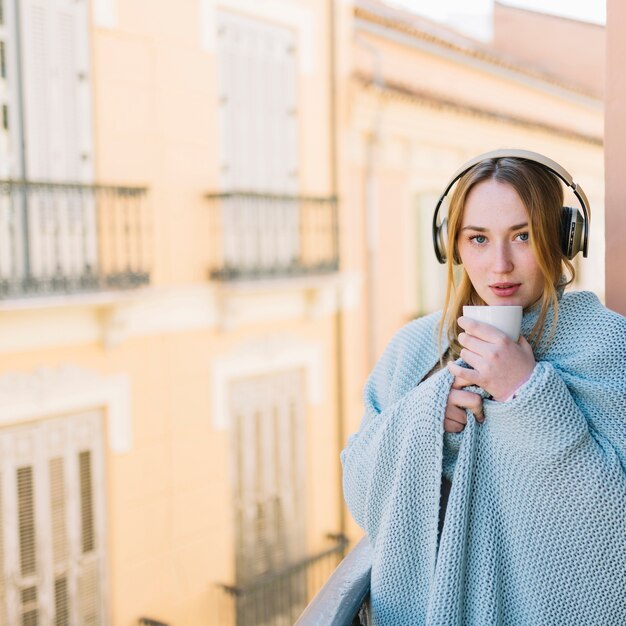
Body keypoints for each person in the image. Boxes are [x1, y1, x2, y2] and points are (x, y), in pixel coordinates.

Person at [341, 150, 626, 626]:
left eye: (523, 236)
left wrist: (527, 391)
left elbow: (614, 523)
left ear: (563, 237)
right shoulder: (414, 349)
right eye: (478, 239)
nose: (500, 265)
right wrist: (429, 420)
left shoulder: (608, 345)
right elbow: (359, 488)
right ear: (451, 246)